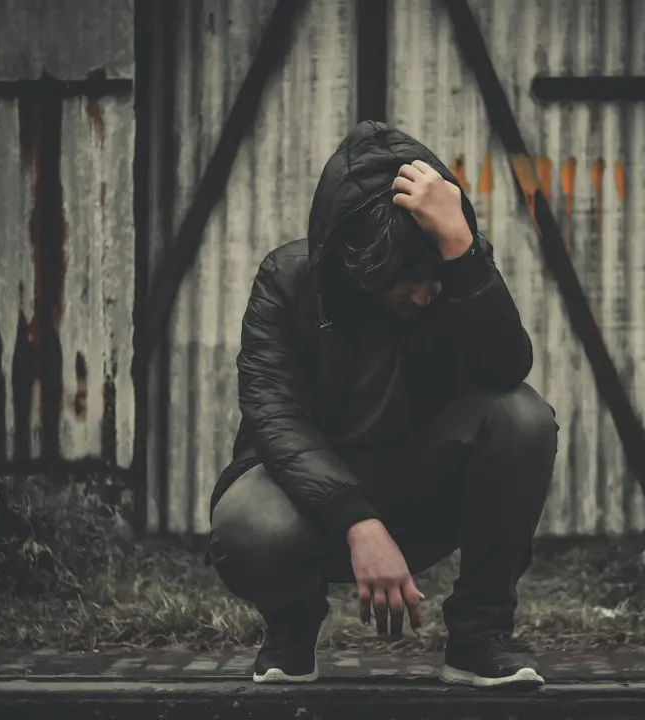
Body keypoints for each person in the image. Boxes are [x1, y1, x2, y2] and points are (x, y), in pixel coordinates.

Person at [208, 121, 558, 689]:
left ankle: (479, 637)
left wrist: (464, 254)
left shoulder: (456, 268)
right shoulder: (288, 280)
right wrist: (357, 520)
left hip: (416, 486)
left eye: (434, 280)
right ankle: (292, 629)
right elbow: (275, 418)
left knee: (523, 417)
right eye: (407, 281)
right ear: (362, 263)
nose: (425, 295)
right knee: (248, 523)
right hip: (314, 505)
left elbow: (505, 372)